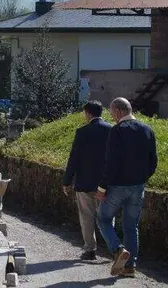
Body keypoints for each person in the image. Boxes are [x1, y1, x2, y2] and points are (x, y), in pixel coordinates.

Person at [96, 97, 158, 278]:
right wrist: (142, 178)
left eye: (111, 113)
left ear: (118, 111)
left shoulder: (117, 131)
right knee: (131, 226)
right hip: (138, 186)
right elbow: (153, 161)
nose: (112, 116)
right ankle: (129, 267)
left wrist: (102, 189)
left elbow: (111, 162)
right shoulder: (148, 130)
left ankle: (118, 251)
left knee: (103, 218)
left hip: (117, 186)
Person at [62, 100, 112, 261]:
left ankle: (90, 250)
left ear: (88, 113)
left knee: (86, 216)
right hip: (106, 183)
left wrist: (67, 181)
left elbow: (74, 158)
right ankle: (115, 249)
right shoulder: (113, 130)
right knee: (106, 217)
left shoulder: (82, 132)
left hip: (84, 182)